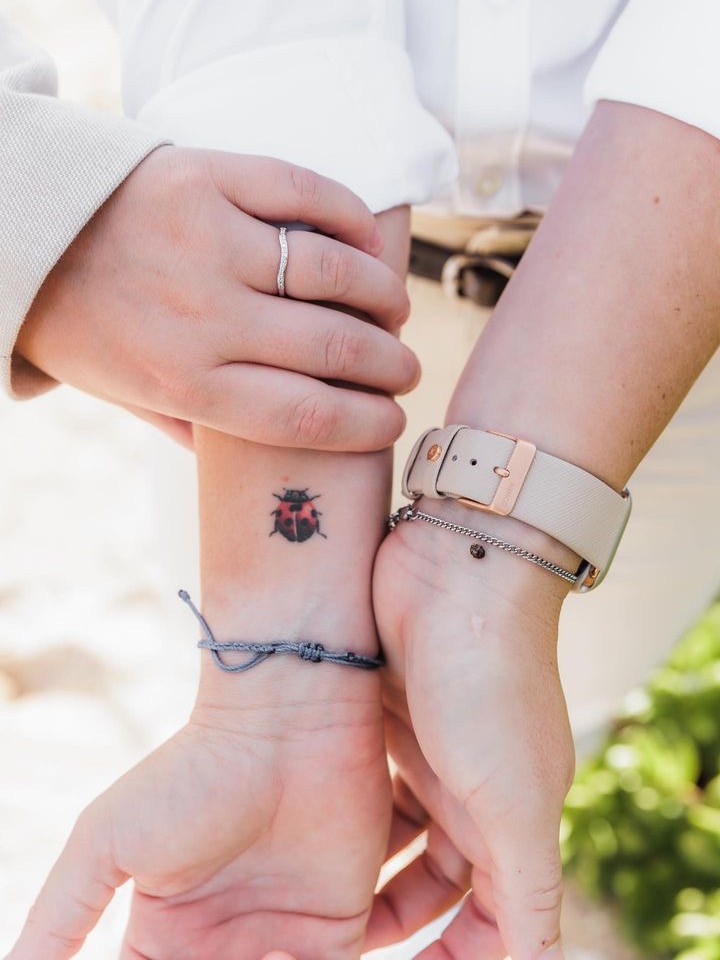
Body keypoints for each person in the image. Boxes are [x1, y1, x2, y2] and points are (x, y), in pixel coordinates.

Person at [5, 2, 720, 959]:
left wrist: (482, 583)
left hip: (669, 309)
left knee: (561, 681)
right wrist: (276, 702)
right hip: (214, 289)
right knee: (286, 660)